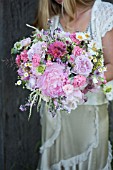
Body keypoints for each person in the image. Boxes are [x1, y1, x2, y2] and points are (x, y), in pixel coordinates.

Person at [34, 0, 113, 169]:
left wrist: (80, 83)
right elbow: (40, 65)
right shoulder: (52, 20)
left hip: (90, 112)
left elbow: (112, 65)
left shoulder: (101, 12)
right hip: (56, 117)